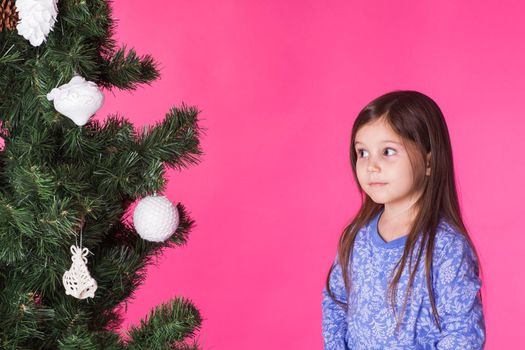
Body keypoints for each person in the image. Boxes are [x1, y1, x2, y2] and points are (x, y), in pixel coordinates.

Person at [322, 90, 486, 349]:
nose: (371, 166)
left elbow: (462, 334)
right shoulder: (357, 236)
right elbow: (336, 303)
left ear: (429, 161)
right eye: (362, 152)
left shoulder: (446, 247)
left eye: (387, 151)